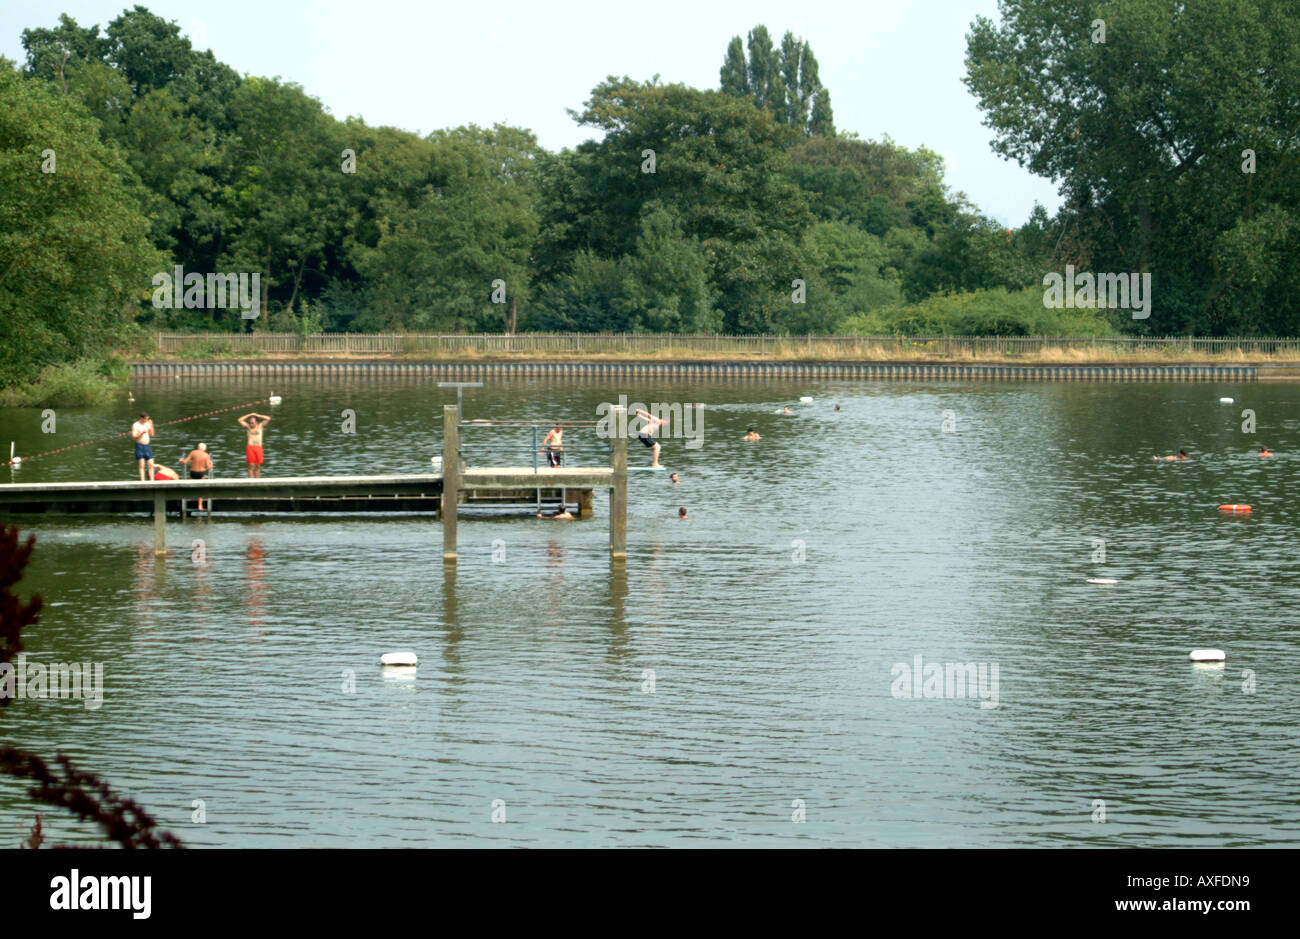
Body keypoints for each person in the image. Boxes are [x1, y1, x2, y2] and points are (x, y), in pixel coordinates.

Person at [238, 412, 272, 478]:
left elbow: (268, 418)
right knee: (251, 465)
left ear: (256, 422)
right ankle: (250, 481)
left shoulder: (260, 426)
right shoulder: (248, 427)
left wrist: (258, 415)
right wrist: (249, 415)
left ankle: (257, 481)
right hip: (250, 447)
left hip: (259, 448)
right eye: (250, 422)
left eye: (252, 423)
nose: (251, 424)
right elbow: (240, 420)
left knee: (258, 466)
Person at [180, 443, 213, 510]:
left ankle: (189, 498)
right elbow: (209, 467)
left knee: (191, 484)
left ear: (198, 447)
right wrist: (211, 464)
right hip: (201, 473)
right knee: (201, 489)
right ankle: (200, 505)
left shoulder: (193, 453)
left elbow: (185, 462)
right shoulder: (206, 455)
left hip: (193, 472)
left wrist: (181, 461)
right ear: (204, 449)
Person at [131, 412, 156, 480]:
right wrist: (141, 433)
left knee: (151, 464)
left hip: (147, 446)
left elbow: (152, 434)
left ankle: (152, 481)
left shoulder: (148, 423)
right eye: (145, 419)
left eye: (147, 418)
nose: (147, 420)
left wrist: (151, 425)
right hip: (140, 446)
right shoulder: (136, 425)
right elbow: (133, 437)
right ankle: (142, 481)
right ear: (141, 418)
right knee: (142, 465)